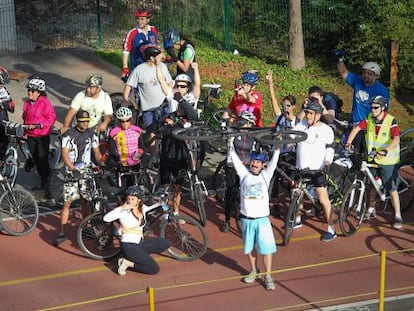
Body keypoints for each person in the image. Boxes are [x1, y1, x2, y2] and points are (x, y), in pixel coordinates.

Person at [228, 136, 280, 291]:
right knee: (250, 248)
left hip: (262, 220)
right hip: (246, 220)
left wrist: (277, 143)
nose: (254, 164)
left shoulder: (266, 175)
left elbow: (275, 158)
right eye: (253, 161)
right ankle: (253, 270)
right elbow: (235, 159)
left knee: (266, 250)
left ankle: (268, 275)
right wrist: (230, 142)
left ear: (263, 165)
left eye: (258, 162)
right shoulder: (244, 175)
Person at [345, 95, 402, 229]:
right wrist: (348, 142)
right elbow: (357, 128)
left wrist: (386, 150)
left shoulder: (391, 120)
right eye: (372, 107)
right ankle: (370, 209)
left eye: (376, 107)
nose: (373, 110)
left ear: (383, 108)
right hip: (373, 157)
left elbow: (396, 139)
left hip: (388, 159)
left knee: (391, 187)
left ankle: (398, 215)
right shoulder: (369, 118)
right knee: (372, 183)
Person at [53, 110, 103, 246]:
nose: (85, 124)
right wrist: (72, 168)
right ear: (77, 121)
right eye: (82, 121)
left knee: (86, 201)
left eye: (87, 121)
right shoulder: (68, 135)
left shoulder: (92, 134)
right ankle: (61, 232)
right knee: (67, 202)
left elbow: (97, 153)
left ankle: (85, 227)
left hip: (86, 171)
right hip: (72, 172)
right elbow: (64, 154)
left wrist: (103, 163)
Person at [293, 100, 336, 242]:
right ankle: (297, 219)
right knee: (298, 194)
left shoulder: (325, 129)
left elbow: (330, 147)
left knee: (323, 198)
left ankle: (331, 228)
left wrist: (327, 162)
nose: (308, 116)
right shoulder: (302, 125)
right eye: (306, 113)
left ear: (318, 115)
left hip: (317, 170)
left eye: (310, 113)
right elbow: (292, 137)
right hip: (301, 167)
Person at [103, 185, 170, 276]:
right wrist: (121, 208)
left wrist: (162, 202)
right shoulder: (124, 211)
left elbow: (152, 207)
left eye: (133, 199)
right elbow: (106, 218)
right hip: (129, 246)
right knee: (154, 269)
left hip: (140, 243)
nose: (130, 201)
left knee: (165, 243)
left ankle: (138, 256)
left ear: (139, 200)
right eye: (128, 199)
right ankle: (127, 262)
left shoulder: (142, 208)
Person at [124, 44, 172, 155]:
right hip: (148, 110)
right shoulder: (139, 70)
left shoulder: (163, 67)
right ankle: (154, 157)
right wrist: (127, 100)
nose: (161, 56)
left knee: (167, 132)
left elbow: (169, 82)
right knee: (152, 133)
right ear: (151, 58)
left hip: (163, 107)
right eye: (158, 55)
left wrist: (169, 95)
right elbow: (128, 87)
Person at [221, 111, 258, 233]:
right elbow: (224, 129)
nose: (247, 126)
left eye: (249, 124)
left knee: (248, 193)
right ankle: (226, 220)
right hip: (232, 166)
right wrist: (226, 120)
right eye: (245, 123)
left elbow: (256, 151)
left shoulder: (252, 136)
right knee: (231, 193)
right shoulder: (233, 132)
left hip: (246, 168)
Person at [22, 76, 57, 204]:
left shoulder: (44, 103)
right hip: (31, 135)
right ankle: (42, 180)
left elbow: (51, 118)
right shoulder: (27, 103)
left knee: (43, 161)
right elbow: (25, 118)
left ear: (39, 92)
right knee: (36, 158)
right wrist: (25, 131)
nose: (29, 93)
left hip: (42, 136)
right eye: (29, 90)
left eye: (32, 91)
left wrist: (41, 125)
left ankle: (48, 191)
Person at [336, 51, 390, 124]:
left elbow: (384, 111)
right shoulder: (358, 81)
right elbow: (343, 72)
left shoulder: (381, 91)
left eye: (369, 74)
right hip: (354, 123)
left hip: (370, 125)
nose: (366, 75)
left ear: (376, 76)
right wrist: (340, 60)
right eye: (364, 73)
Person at [121, 7, 159, 81]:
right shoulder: (132, 33)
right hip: (137, 68)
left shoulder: (153, 30)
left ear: (148, 20)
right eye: (138, 19)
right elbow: (126, 52)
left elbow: (156, 47)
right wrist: (125, 68)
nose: (139, 21)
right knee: (134, 90)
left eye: (142, 19)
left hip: (152, 68)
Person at [0, 66, 15, 160]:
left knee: (5, 140)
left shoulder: (4, 91)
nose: (2, 86)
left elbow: (11, 107)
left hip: (3, 118)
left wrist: (9, 105)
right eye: (1, 83)